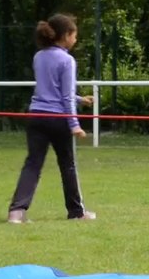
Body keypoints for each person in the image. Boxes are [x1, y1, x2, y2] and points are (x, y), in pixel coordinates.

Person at [7, 14, 96, 223]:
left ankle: (16, 212)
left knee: (32, 164)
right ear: (66, 35)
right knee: (67, 165)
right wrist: (74, 125)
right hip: (58, 119)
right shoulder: (67, 60)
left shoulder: (39, 56)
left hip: (36, 116)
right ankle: (76, 212)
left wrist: (80, 99)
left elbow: (52, 90)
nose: (75, 40)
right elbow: (64, 96)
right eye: (74, 36)